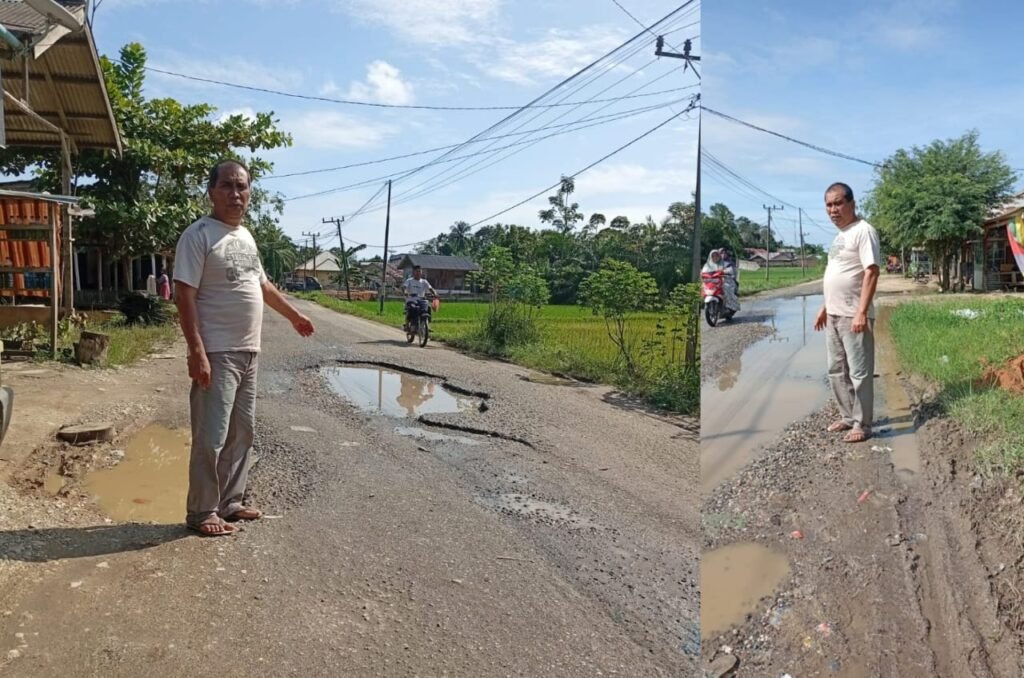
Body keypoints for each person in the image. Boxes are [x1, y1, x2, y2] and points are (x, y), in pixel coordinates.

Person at [173, 159, 315, 537]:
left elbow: (262, 286)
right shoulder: (198, 235)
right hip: (217, 351)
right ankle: (202, 511)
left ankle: (229, 503)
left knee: (242, 433)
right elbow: (184, 295)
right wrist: (197, 351)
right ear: (211, 192)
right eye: (227, 186)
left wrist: (294, 316)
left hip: (249, 351)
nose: (236, 193)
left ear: (250, 193)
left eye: (242, 186)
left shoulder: (247, 237)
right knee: (212, 436)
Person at [813, 182, 880, 444]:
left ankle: (863, 424)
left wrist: (861, 312)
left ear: (852, 204)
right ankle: (847, 416)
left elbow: (871, 272)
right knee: (836, 370)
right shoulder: (840, 236)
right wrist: (824, 308)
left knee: (859, 372)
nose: (833, 210)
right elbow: (837, 274)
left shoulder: (864, 231)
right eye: (829, 205)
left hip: (853, 315)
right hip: (834, 314)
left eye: (838, 203)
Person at [702, 249, 740, 315]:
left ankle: (730, 306)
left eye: (716, 256)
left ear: (719, 256)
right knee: (703, 288)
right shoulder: (707, 265)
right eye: (713, 256)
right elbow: (703, 272)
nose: (715, 257)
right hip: (711, 282)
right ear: (710, 257)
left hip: (724, 280)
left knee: (726, 287)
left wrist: (724, 272)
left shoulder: (725, 264)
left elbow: (731, 270)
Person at [403, 265, 437, 331]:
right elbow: (404, 288)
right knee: (412, 308)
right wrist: (405, 292)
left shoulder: (424, 281)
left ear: (421, 272)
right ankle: (407, 324)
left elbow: (431, 288)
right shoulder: (409, 280)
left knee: (428, 308)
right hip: (411, 299)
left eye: (419, 271)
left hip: (421, 299)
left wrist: (435, 293)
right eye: (417, 271)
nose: (418, 273)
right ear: (414, 272)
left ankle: (427, 325)